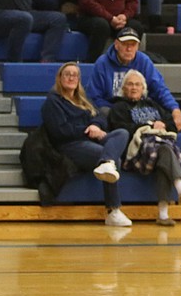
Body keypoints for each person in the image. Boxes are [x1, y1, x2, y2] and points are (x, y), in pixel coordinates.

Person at [41, 62, 132, 227]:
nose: (71, 78)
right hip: (70, 145)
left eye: (75, 75)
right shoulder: (53, 102)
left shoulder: (83, 99)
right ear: (59, 78)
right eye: (67, 74)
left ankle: (107, 163)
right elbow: (60, 131)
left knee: (122, 133)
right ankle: (113, 210)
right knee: (115, 161)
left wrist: (95, 125)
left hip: (91, 139)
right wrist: (87, 129)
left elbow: (101, 117)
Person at [108, 70, 181, 226]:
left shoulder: (154, 105)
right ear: (124, 88)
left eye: (137, 84)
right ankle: (179, 185)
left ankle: (163, 215)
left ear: (143, 88)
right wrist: (148, 125)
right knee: (164, 149)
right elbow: (120, 128)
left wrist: (164, 125)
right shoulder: (118, 107)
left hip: (157, 150)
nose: (134, 87)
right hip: (137, 153)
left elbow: (173, 126)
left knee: (163, 153)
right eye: (130, 84)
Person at [86, 28, 181, 131]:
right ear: (116, 44)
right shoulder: (102, 63)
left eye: (133, 45)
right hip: (112, 110)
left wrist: (175, 109)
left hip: (139, 109)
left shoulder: (144, 61)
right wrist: (118, 110)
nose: (129, 49)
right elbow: (93, 97)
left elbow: (160, 89)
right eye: (125, 44)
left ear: (138, 46)